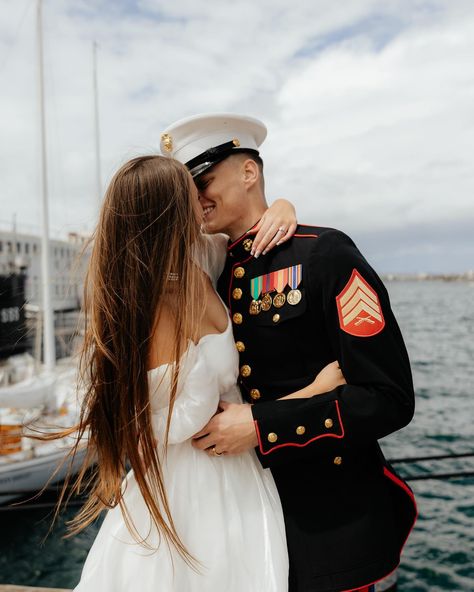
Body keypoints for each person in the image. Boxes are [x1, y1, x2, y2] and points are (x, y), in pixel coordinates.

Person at [159, 113, 418, 592]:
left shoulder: (325, 254)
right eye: (186, 190)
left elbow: (389, 397)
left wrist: (260, 424)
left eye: (204, 181)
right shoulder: (209, 269)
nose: (194, 200)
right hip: (248, 530)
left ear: (248, 172)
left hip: (336, 531)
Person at [67, 154, 346, 591]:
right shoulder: (156, 303)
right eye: (190, 192)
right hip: (199, 488)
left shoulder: (197, 260)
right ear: (171, 211)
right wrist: (314, 391)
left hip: (230, 473)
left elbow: (246, 235)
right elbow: (199, 422)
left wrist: (282, 206)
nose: (202, 199)